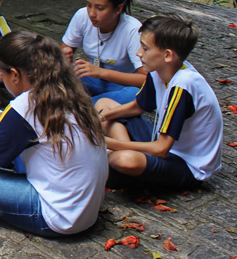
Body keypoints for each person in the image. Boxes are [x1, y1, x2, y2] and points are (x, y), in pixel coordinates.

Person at [0, 31, 108, 237]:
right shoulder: (64, 89)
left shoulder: (28, 104)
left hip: (55, 216)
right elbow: (14, 121)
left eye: (2, 74)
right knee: (11, 150)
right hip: (84, 210)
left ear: (15, 74)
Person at [95, 15, 223, 189]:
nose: (138, 53)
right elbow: (138, 106)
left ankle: (114, 160)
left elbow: (161, 149)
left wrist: (106, 143)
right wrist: (101, 118)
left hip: (186, 164)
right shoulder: (159, 70)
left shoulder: (183, 85)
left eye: (145, 48)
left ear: (167, 55)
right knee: (103, 104)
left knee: (125, 160)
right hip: (160, 143)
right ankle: (117, 160)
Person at [61, 0, 146, 104]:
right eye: (89, 5)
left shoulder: (132, 30)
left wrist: (101, 72)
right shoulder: (82, 16)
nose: (92, 14)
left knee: (134, 95)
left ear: (118, 8)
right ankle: (91, 106)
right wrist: (63, 58)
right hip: (91, 80)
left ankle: (80, 108)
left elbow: (145, 79)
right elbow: (63, 55)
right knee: (62, 78)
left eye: (100, 8)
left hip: (121, 86)